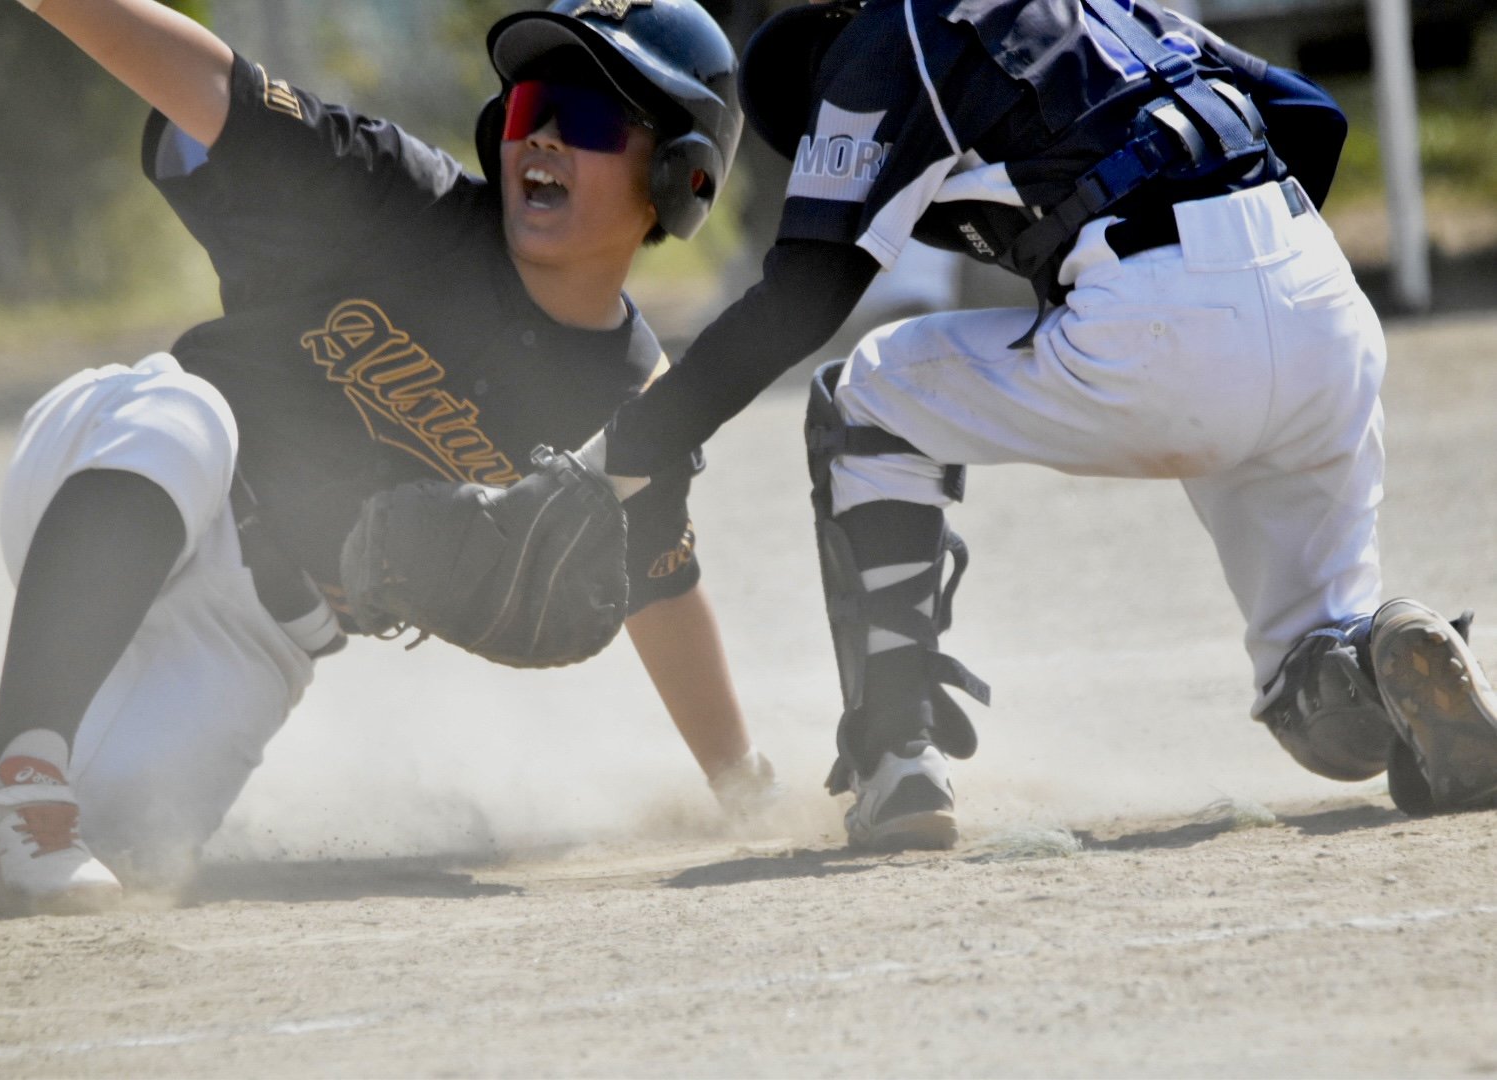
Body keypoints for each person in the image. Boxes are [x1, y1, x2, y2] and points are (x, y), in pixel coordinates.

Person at [0, 0, 774, 915]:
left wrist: (742, 787)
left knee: (117, 849)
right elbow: (206, 84)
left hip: (258, 637)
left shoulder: (630, 401)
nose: (540, 135)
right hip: (117, 473)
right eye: (527, 105)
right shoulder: (393, 195)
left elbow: (659, 580)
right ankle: (24, 778)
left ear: (678, 176)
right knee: (186, 419)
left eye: (587, 119)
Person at [531, 0, 1497, 850]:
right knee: (1308, 694)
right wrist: (1247, 303)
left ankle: (896, 761)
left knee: (862, 398)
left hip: (1161, 319)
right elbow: (1309, 117)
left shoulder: (887, 30)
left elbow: (803, 296)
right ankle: (1386, 651)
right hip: (1321, 305)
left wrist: (606, 469)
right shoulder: (1110, 11)